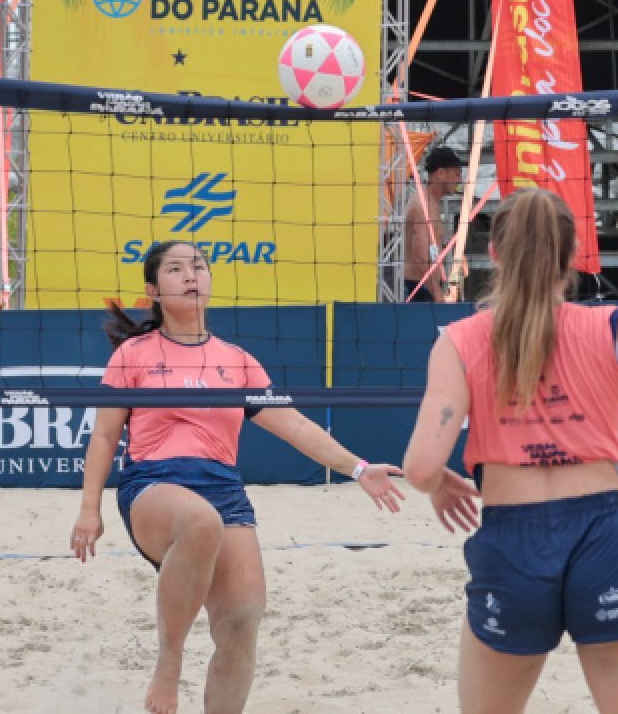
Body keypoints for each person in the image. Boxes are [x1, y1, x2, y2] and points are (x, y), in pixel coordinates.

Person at [403, 188, 618, 714]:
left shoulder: (459, 339)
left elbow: (422, 468)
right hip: (602, 536)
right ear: (571, 258)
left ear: (493, 253)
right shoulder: (611, 326)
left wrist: (435, 485)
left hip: (511, 541)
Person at [70, 240, 405, 714]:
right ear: (153, 291)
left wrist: (359, 468)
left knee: (243, 621)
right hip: (154, 483)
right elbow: (103, 438)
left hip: (223, 488)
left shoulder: (237, 361)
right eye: (176, 269)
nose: (191, 275)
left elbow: (294, 425)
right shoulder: (134, 355)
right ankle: (169, 666)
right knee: (199, 521)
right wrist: (89, 510)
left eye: (199, 267)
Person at [404, 145, 463, 302]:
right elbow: (420, 256)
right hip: (417, 288)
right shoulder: (422, 205)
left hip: (425, 286)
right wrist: (436, 292)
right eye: (457, 174)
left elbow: (431, 250)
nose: (459, 180)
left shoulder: (432, 202)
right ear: (441, 174)